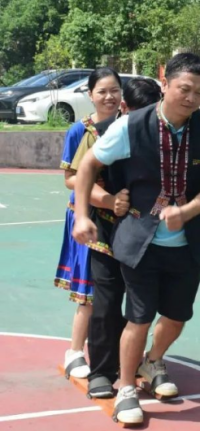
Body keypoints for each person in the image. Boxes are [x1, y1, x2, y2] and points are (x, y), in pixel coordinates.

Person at [72, 53, 200, 425]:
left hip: (188, 242)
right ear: (166, 85)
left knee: (177, 316)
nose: (191, 98)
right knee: (139, 318)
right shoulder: (130, 125)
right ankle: (126, 389)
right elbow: (88, 165)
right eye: (184, 89)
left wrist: (186, 211)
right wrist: (81, 215)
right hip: (139, 240)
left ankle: (153, 361)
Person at [79, 78, 162, 399]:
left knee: (145, 305)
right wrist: (109, 201)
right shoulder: (101, 134)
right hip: (108, 231)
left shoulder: (168, 137)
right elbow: (80, 179)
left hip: (148, 234)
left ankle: (144, 362)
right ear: (126, 109)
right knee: (107, 301)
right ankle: (102, 371)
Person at [54, 68, 123, 381]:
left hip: (119, 218)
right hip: (89, 216)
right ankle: (74, 351)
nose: (109, 97)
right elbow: (71, 178)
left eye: (115, 90)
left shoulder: (127, 125)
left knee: (114, 290)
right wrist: (104, 196)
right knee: (89, 290)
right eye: (102, 91)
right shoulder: (80, 131)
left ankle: (115, 350)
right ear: (91, 95)